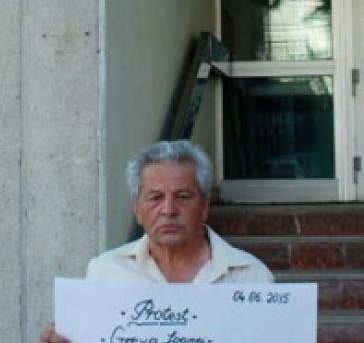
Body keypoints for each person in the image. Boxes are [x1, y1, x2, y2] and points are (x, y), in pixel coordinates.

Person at [39, 140, 272, 343]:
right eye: (155, 197)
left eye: (183, 196)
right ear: (137, 209)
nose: (169, 210)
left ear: (204, 206)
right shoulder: (105, 272)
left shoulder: (251, 275)